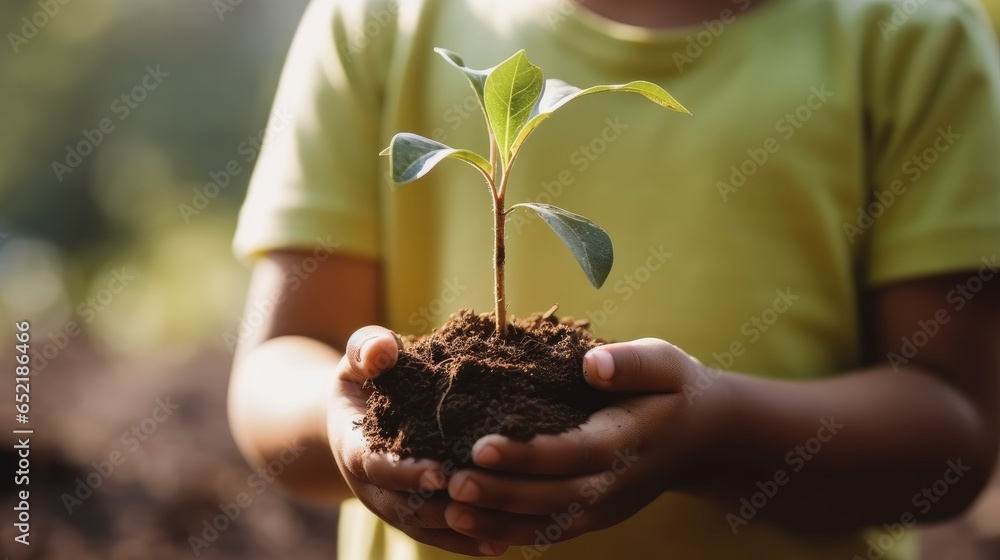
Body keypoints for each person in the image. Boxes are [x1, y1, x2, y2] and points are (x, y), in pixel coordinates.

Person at [228, 0, 1000, 558]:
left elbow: (955, 433)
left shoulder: (913, 32)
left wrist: (715, 431)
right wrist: (347, 424)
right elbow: (278, 364)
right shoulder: (374, 21)